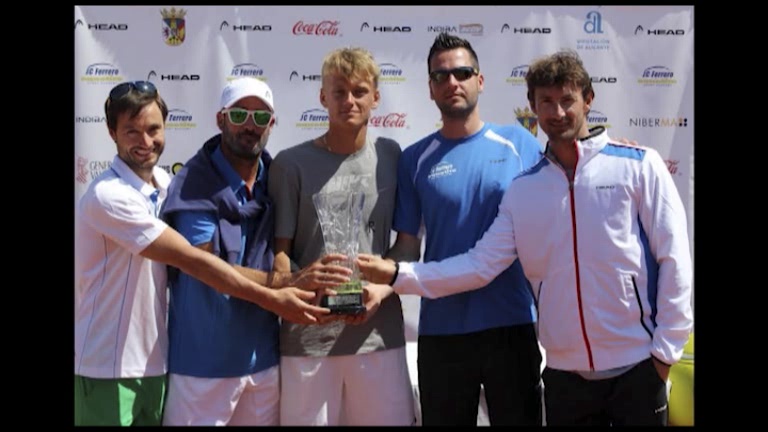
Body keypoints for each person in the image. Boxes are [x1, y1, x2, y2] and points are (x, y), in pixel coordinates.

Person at [357, 49, 693, 426]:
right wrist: (396, 275)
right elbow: (480, 264)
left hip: (637, 367)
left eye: (567, 100)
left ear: (588, 100)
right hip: (565, 375)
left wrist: (664, 354)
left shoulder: (639, 165)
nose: (558, 112)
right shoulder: (523, 189)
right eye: (546, 102)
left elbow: (674, 260)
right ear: (532, 106)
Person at [75, 80, 334, 426]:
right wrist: (281, 290)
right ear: (111, 132)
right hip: (107, 366)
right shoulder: (108, 196)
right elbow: (198, 262)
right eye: (131, 131)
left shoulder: (168, 186)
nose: (145, 141)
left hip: (157, 363)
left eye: (153, 129)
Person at [369, 32, 545, 426]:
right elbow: (407, 248)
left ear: (479, 81)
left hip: (512, 322)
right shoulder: (414, 159)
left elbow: (563, 197)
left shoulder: (520, 142)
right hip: (443, 332)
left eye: (462, 72)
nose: (453, 82)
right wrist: (375, 287)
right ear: (430, 88)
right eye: (441, 76)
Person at [158, 77, 351, 426]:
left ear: (272, 125)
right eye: (240, 114)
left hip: (263, 362)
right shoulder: (193, 181)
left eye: (261, 117)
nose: (251, 125)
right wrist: (287, 282)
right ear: (220, 120)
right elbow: (204, 265)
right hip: (204, 367)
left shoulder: (275, 178)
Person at [268, 47, 415, 426]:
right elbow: (280, 255)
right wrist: (302, 286)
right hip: (308, 339)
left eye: (359, 91)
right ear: (322, 97)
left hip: (378, 336)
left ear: (376, 97)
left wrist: (380, 287)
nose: (349, 100)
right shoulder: (289, 163)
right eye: (339, 92)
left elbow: (407, 244)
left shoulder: (392, 157)